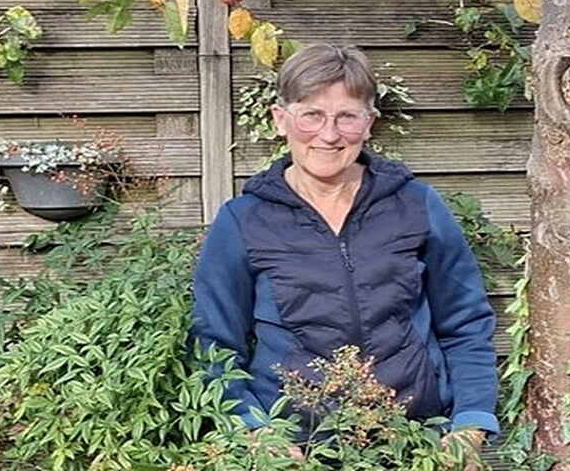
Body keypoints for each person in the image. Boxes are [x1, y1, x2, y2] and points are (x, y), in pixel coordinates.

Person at [190, 43, 499, 462]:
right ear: (280, 119)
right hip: (296, 449)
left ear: (369, 123)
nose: (329, 134)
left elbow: (465, 323)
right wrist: (255, 432)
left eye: (347, 117)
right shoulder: (243, 220)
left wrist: (470, 423)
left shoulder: (416, 206)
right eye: (312, 115)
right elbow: (213, 344)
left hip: (415, 442)